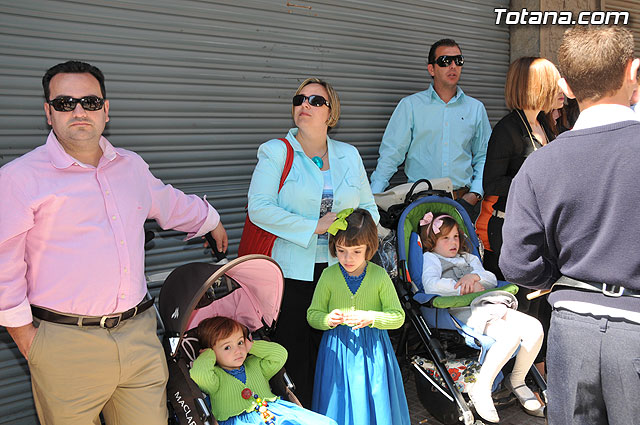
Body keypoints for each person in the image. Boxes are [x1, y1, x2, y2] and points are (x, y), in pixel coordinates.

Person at [0, 60, 228, 424]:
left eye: (90, 102)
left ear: (105, 110)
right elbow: (4, 266)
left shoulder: (131, 166)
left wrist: (211, 220)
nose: (79, 111)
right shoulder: (18, 178)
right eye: (65, 103)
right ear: (48, 112)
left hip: (139, 338)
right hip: (65, 345)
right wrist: (29, 341)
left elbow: (168, 202)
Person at [499, 26, 640, 425]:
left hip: (571, 328)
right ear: (633, 72)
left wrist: (558, 277)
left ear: (566, 86)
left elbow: (517, 264)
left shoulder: (539, 164)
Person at [247, 78, 379, 406]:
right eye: (300, 99)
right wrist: (314, 226)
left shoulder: (349, 155)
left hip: (340, 272)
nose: (305, 105)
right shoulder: (276, 151)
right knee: (295, 359)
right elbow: (259, 208)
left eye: (316, 101)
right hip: (290, 274)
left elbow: (370, 209)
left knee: (335, 357)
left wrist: (357, 235)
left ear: (331, 113)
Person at [475, 57, 561, 376]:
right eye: (551, 83)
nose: (558, 89)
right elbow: (491, 183)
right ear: (536, 87)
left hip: (539, 228)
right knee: (521, 305)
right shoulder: (507, 129)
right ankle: (517, 377)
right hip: (511, 229)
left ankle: (537, 374)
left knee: (541, 304)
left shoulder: (544, 125)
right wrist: (536, 183)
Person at [420, 213, 544, 423]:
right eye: (445, 238)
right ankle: (481, 388)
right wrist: (462, 287)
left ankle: (517, 379)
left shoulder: (468, 258)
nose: (453, 242)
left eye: (456, 237)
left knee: (535, 328)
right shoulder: (431, 258)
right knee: (510, 336)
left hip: (487, 303)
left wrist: (474, 277)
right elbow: (431, 285)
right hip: (459, 310)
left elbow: (490, 279)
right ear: (432, 241)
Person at [306, 208, 410, 425]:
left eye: (356, 251)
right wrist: (327, 320)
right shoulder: (328, 276)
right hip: (338, 352)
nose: (348, 258)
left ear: (369, 248)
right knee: (339, 399)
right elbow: (313, 314)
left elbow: (398, 317)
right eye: (341, 250)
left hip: (373, 352)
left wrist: (372, 317)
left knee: (373, 398)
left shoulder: (380, 276)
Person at [369, 38, 492, 221]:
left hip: (462, 204)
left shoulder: (476, 109)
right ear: (431, 69)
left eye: (458, 60)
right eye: (445, 61)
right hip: (419, 204)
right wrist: (372, 201)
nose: (453, 66)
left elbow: (484, 156)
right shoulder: (410, 106)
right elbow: (391, 155)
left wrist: (474, 194)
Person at [189, 316, 337, 425]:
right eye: (227, 347)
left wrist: (251, 346)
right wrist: (208, 355)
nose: (238, 350)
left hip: (275, 413)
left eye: (240, 342)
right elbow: (199, 375)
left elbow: (280, 355)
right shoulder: (215, 378)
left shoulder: (256, 364)